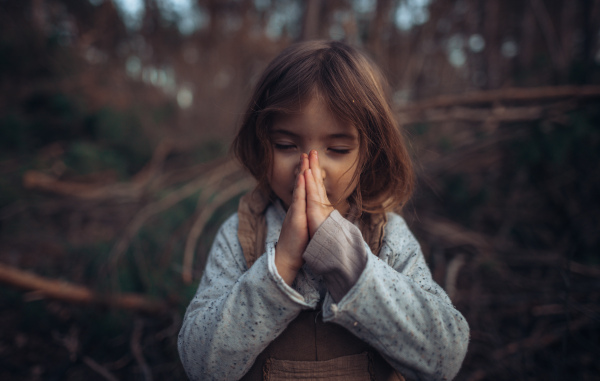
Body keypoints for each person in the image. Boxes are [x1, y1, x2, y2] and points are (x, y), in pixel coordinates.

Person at [178, 40, 469, 381]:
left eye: (338, 149)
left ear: (367, 155)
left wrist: (343, 256)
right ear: (262, 143)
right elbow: (200, 364)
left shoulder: (386, 234)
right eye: (286, 145)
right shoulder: (241, 234)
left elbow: (444, 357)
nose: (309, 170)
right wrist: (281, 264)